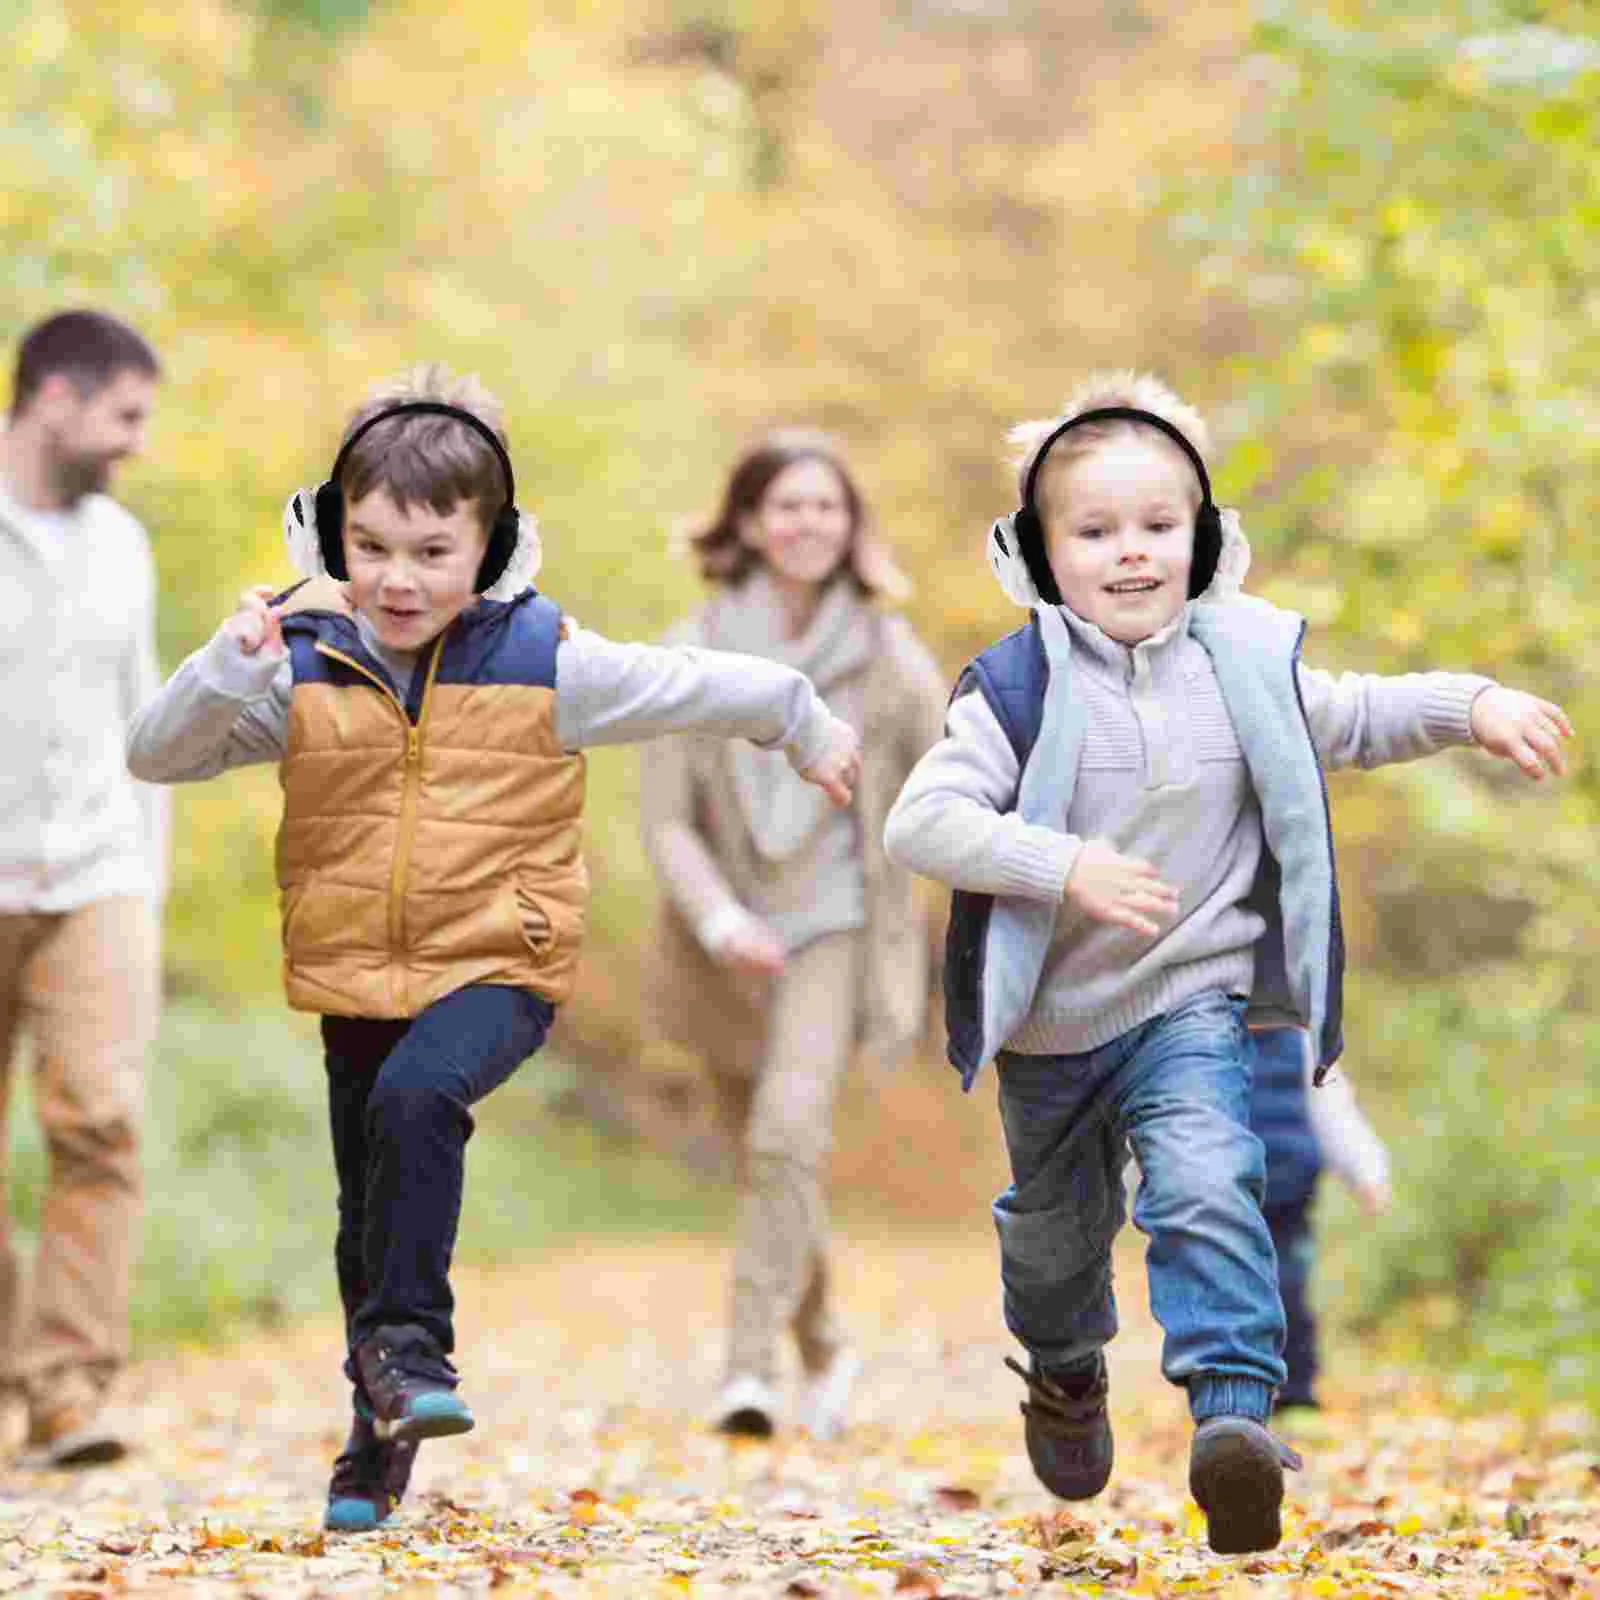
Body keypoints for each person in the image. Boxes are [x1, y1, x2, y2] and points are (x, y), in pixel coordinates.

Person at [124, 367, 861, 1532]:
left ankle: (415, 1353)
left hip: (500, 962)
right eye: (367, 546)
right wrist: (226, 661)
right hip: (356, 967)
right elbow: (156, 754)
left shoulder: (544, 660)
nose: (396, 578)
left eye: (429, 550)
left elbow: (700, 683)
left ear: (494, 543)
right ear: (328, 533)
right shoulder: (303, 665)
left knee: (419, 1099)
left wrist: (803, 722)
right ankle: (375, 1434)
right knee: (365, 1206)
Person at [882, 371, 1572, 1554]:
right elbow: (919, 826)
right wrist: (1059, 867)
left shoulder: (1242, 665)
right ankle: (1063, 1372)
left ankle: (1233, 1417)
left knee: (1209, 1181)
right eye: (1094, 532)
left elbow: (1355, 714)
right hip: (1051, 1033)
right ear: (1040, 556)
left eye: (1159, 526)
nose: (1132, 553)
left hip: (1191, 999)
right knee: (1054, 1242)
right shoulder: (1015, 689)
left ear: (1205, 539)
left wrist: (1476, 703)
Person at [640, 430, 947, 1441]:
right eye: (786, 505)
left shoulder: (885, 655)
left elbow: (955, 774)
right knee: (767, 1157)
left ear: (850, 527)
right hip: (721, 937)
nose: (807, 523)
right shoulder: (693, 649)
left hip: (836, 925)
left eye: (827, 506)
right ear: (746, 523)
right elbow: (666, 819)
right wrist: (720, 917)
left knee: (786, 1131)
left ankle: (747, 1369)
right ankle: (826, 1342)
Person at [0, 310, 167, 1469]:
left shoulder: (123, 546)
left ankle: (66, 1388)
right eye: (125, 416)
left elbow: (142, 720)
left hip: (98, 872)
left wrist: (147, 881)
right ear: (52, 397)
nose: (136, 443)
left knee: (101, 1122)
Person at [1248, 1022, 1390, 1420]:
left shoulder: (1303, 1047)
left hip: (1287, 1190)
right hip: (1229, 1192)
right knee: (1236, 1289)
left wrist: (1368, 1173)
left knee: (1287, 1285)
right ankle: (1238, 1389)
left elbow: (1335, 1114)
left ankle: (1294, 1389)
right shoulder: (1203, 1041)